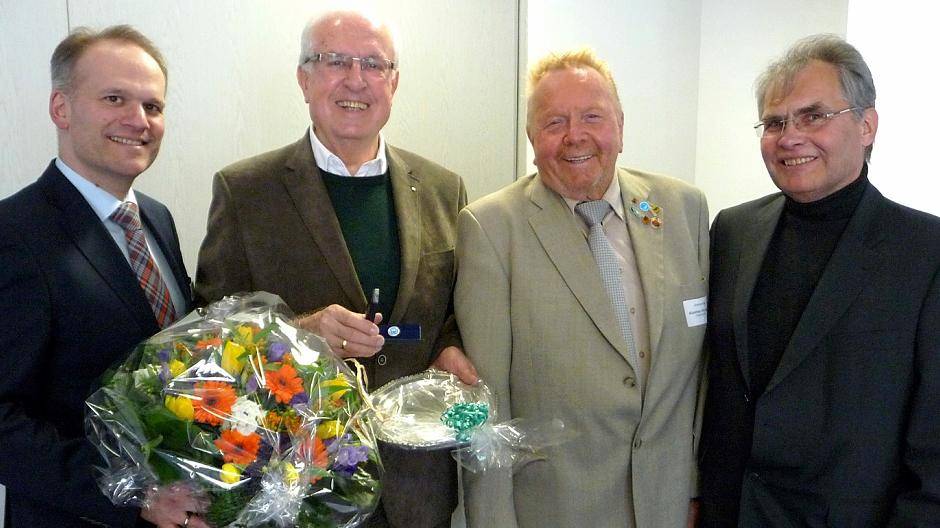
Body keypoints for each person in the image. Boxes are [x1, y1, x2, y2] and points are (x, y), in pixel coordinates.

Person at [195, 10, 473, 528]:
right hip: (298, 488)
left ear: (394, 82)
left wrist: (450, 347)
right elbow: (209, 340)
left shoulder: (443, 189)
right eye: (335, 61)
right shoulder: (246, 191)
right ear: (304, 79)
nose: (356, 79)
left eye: (373, 64)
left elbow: (452, 311)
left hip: (417, 490)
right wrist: (302, 332)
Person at [456, 48, 709, 528]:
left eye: (593, 116)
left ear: (620, 126)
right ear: (532, 138)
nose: (575, 135)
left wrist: (698, 488)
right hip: (555, 509)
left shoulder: (682, 209)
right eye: (554, 122)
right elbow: (485, 409)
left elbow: (700, 375)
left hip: (668, 504)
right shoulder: (492, 229)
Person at [698, 34, 940, 526]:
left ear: (867, 125)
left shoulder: (925, 251)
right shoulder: (732, 231)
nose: (790, 137)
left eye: (813, 116)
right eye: (774, 122)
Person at [0, 26, 207, 527]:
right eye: (115, 98)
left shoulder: (155, 217)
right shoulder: (14, 233)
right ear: (61, 108)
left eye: (153, 106)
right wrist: (136, 497)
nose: (138, 121)